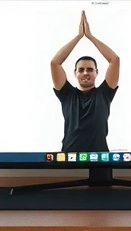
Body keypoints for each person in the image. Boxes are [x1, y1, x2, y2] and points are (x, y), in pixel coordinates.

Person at [51, 11, 121, 153]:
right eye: (81, 70)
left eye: (90, 69)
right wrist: (78, 37)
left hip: (100, 160)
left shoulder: (104, 94)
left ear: (96, 73)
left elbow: (114, 60)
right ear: (75, 73)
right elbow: (55, 63)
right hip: (69, 160)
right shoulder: (67, 94)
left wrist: (90, 37)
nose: (85, 73)